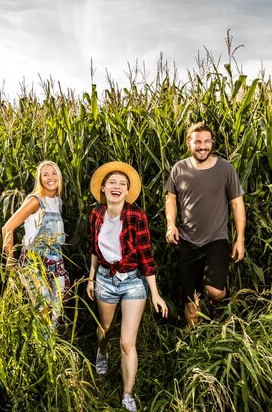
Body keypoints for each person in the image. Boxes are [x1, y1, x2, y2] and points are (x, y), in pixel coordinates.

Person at [86, 161, 168, 412]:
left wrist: (155, 293)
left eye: (122, 183)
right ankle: (102, 352)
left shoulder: (136, 216)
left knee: (126, 342)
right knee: (106, 330)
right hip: (104, 279)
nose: (117, 187)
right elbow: (93, 249)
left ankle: (127, 394)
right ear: (103, 187)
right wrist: (91, 277)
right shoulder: (97, 214)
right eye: (112, 182)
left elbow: (146, 257)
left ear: (127, 191)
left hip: (133, 281)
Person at [165, 121, 246, 327]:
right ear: (188, 143)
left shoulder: (225, 168)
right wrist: (171, 225)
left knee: (215, 291)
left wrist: (240, 239)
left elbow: (237, 204)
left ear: (212, 143)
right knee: (192, 304)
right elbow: (171, 200)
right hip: (187, 242)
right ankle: (196, 347)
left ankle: (219, 302)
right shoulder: (179, 169)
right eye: (198, 141)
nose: (203, 146)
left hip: (216, 240)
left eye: (207, 141)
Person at [2, 160, 70, 326]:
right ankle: (41, 347)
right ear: (40, 179)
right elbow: (7, 228)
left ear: (59, 177)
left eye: (54, 173)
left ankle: (50, 346)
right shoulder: (35, 201)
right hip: (35, 260)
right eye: (45, 174)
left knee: (57, 306)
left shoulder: (57, 202)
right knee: (43, 303)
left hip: (56, 260)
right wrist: (10, 262)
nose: (50, 178)